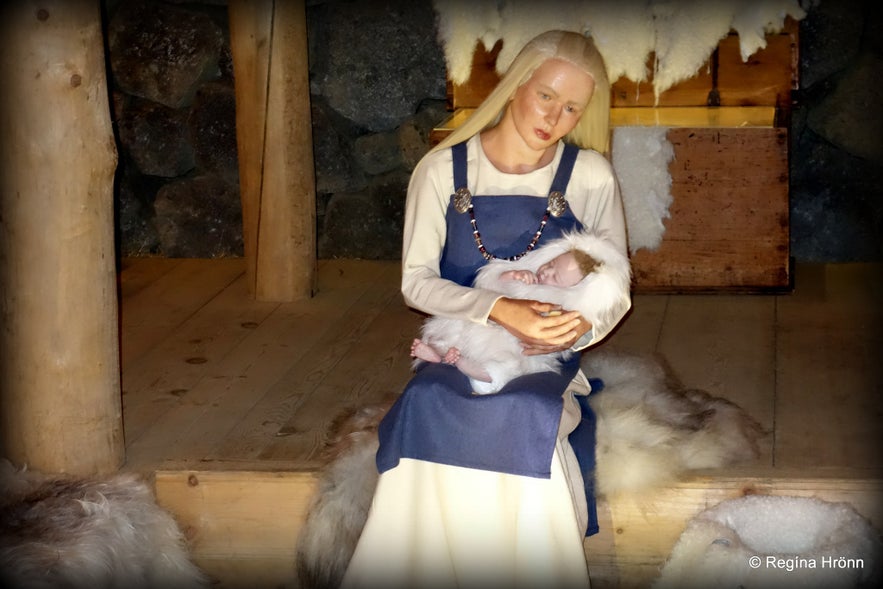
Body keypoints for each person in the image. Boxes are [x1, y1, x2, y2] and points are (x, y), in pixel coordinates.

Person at [341, 30, 630, 588]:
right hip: (461, 344)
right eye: (546, 95)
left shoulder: (590, 176)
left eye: (573, 107)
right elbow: (415, 283)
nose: (555, 117)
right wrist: (498, 309)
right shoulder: (440, 172)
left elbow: (613, 286)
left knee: (523, 410)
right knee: (429, 399)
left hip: (541, 355)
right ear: (517, 84)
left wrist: (574, 330)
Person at [410, 230, 631, 395]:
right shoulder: (529, 274)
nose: (546, 273)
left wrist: (570, 329)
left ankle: (466, 366)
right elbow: (493, 282)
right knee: (449, 328)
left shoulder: (559, 304)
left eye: (555, 277)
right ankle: (437, 352)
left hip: (510, 347)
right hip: (477, 318)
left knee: (506, 370)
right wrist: (512, 275)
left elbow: (565, 325)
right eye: (551, 264)